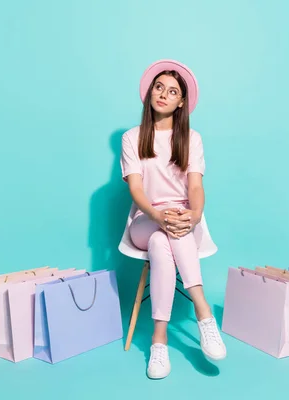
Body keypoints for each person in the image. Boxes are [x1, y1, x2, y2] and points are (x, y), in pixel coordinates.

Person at [120, 59, 227, 379]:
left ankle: (159, 343)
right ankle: (204, 311)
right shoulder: (132, 137)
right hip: (145, 218)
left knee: (161, 241)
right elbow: (136, 189)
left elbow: (195, 186)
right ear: (150, 92)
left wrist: (193, 217)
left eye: (172, 91)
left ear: (182, 101)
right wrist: (157, 214)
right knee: (155, 231)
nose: (163, 94)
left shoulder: (191, 138)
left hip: (182, 221)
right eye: (159, 87)